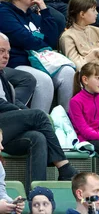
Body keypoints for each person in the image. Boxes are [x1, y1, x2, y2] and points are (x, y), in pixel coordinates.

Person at [0, 34, 79, 185]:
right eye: (1, 51)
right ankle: (64, 168)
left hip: (6, 130)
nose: (6, 56)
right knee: (38, 115)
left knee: (37, 138)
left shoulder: (3, 75)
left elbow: (12, 100)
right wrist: (22, 112)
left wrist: (21, 109)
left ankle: (37, 192)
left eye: (8, 52)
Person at [0, 0, 75, 113]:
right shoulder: (4, 12)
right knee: (44, 80)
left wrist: (44, 9)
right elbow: (23, 39)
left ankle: (65, 120)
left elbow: (51, 40)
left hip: (40, 61)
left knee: (68, 72)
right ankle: (39, 123)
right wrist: (43, 43)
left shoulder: (33, 15)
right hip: (18, 63)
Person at [59, 0, 99, 99]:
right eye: (93, 10)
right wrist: (92, 55)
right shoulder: (68, 36)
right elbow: (77, 64)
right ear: (82, 14)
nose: (97, 13)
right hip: (85, 80)